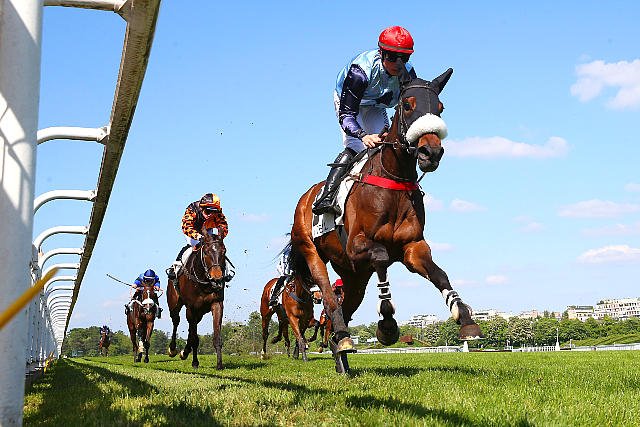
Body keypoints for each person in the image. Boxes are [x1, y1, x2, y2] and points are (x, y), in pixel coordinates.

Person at [312, 25, 418, 215]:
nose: (398, 63)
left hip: (375, 105)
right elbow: (346, 115)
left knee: (386, 145)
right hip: (349, 105)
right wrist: (363, 135)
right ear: (381, 52)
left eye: (404, 58)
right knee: (357, 146)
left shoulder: (408, 74)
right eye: (392, 57)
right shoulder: (360, 72)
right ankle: (326, 196)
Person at [166, 193, 229, 286]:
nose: (210, 215)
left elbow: (224, 227)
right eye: (208, 212)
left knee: (216, 249)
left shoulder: (218, 213)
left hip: (207, 229)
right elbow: (186, 226)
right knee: (192, 245)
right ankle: (176, 267)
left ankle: (227, 271)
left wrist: (218, 238)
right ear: (202, 208)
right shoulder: (192, 209)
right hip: (192, 229)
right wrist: (198, 237)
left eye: (213, 212)